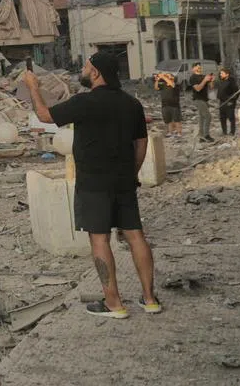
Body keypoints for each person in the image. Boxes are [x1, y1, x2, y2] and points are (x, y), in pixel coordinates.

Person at [24, 53, 160, 319]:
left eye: (86, 66)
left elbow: (43, 115)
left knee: (100, 239)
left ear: (96, 72)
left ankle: (114, 303)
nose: (83, 71)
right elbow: (141, 143)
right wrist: (131, 172)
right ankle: (150, 298)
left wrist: (32, 86)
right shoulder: (131, 103)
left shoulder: (85, 102)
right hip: (124, 181)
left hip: (93, 184)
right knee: (135, 235)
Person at [189, 64, 214, 143]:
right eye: (196, 66)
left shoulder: (203, 76)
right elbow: (198, 89)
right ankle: (206, 135)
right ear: (193, 69)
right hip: (198, 99)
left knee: (202, 118)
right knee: (208, 116)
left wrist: (211, 80)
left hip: (205, 99)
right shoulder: (193, 77)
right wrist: (205, 80)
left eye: (199, 66)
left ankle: (201, 137)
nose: (198, 67)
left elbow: (211, 87)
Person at [217, 67, 240, 137]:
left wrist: (232, 101)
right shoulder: (221, 80)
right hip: (222, 102)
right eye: (220, 73)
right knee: (222, 118)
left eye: (222, 73)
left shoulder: (232, 82)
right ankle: (224, 132)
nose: (220, 74)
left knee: (231, 118)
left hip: (229, 102)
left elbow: (237, 93)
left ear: (227, 74)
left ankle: (232, 132)